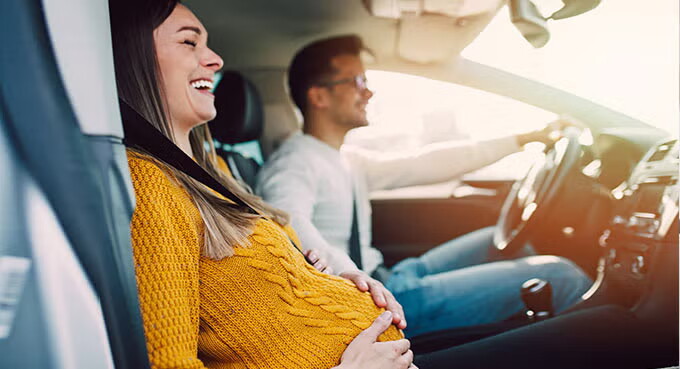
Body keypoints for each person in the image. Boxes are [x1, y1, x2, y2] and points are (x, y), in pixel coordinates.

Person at [111, 1, 426, 368]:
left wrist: (341, 273)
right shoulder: (148, 185)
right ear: (134, 60)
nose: (215, 60)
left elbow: (289, 269)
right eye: (189, 43)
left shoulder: (214, 172)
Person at [255, 35, 593, 337]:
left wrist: (524, 139)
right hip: (379, 298)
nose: (368, 91)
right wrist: (350, 275)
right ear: (319, 96)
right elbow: (289, 222)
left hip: (391, 275)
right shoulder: (293, 163)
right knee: (561, 276)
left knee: (502, 238)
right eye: (356, 81)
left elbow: (428, 162)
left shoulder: (343, 157)